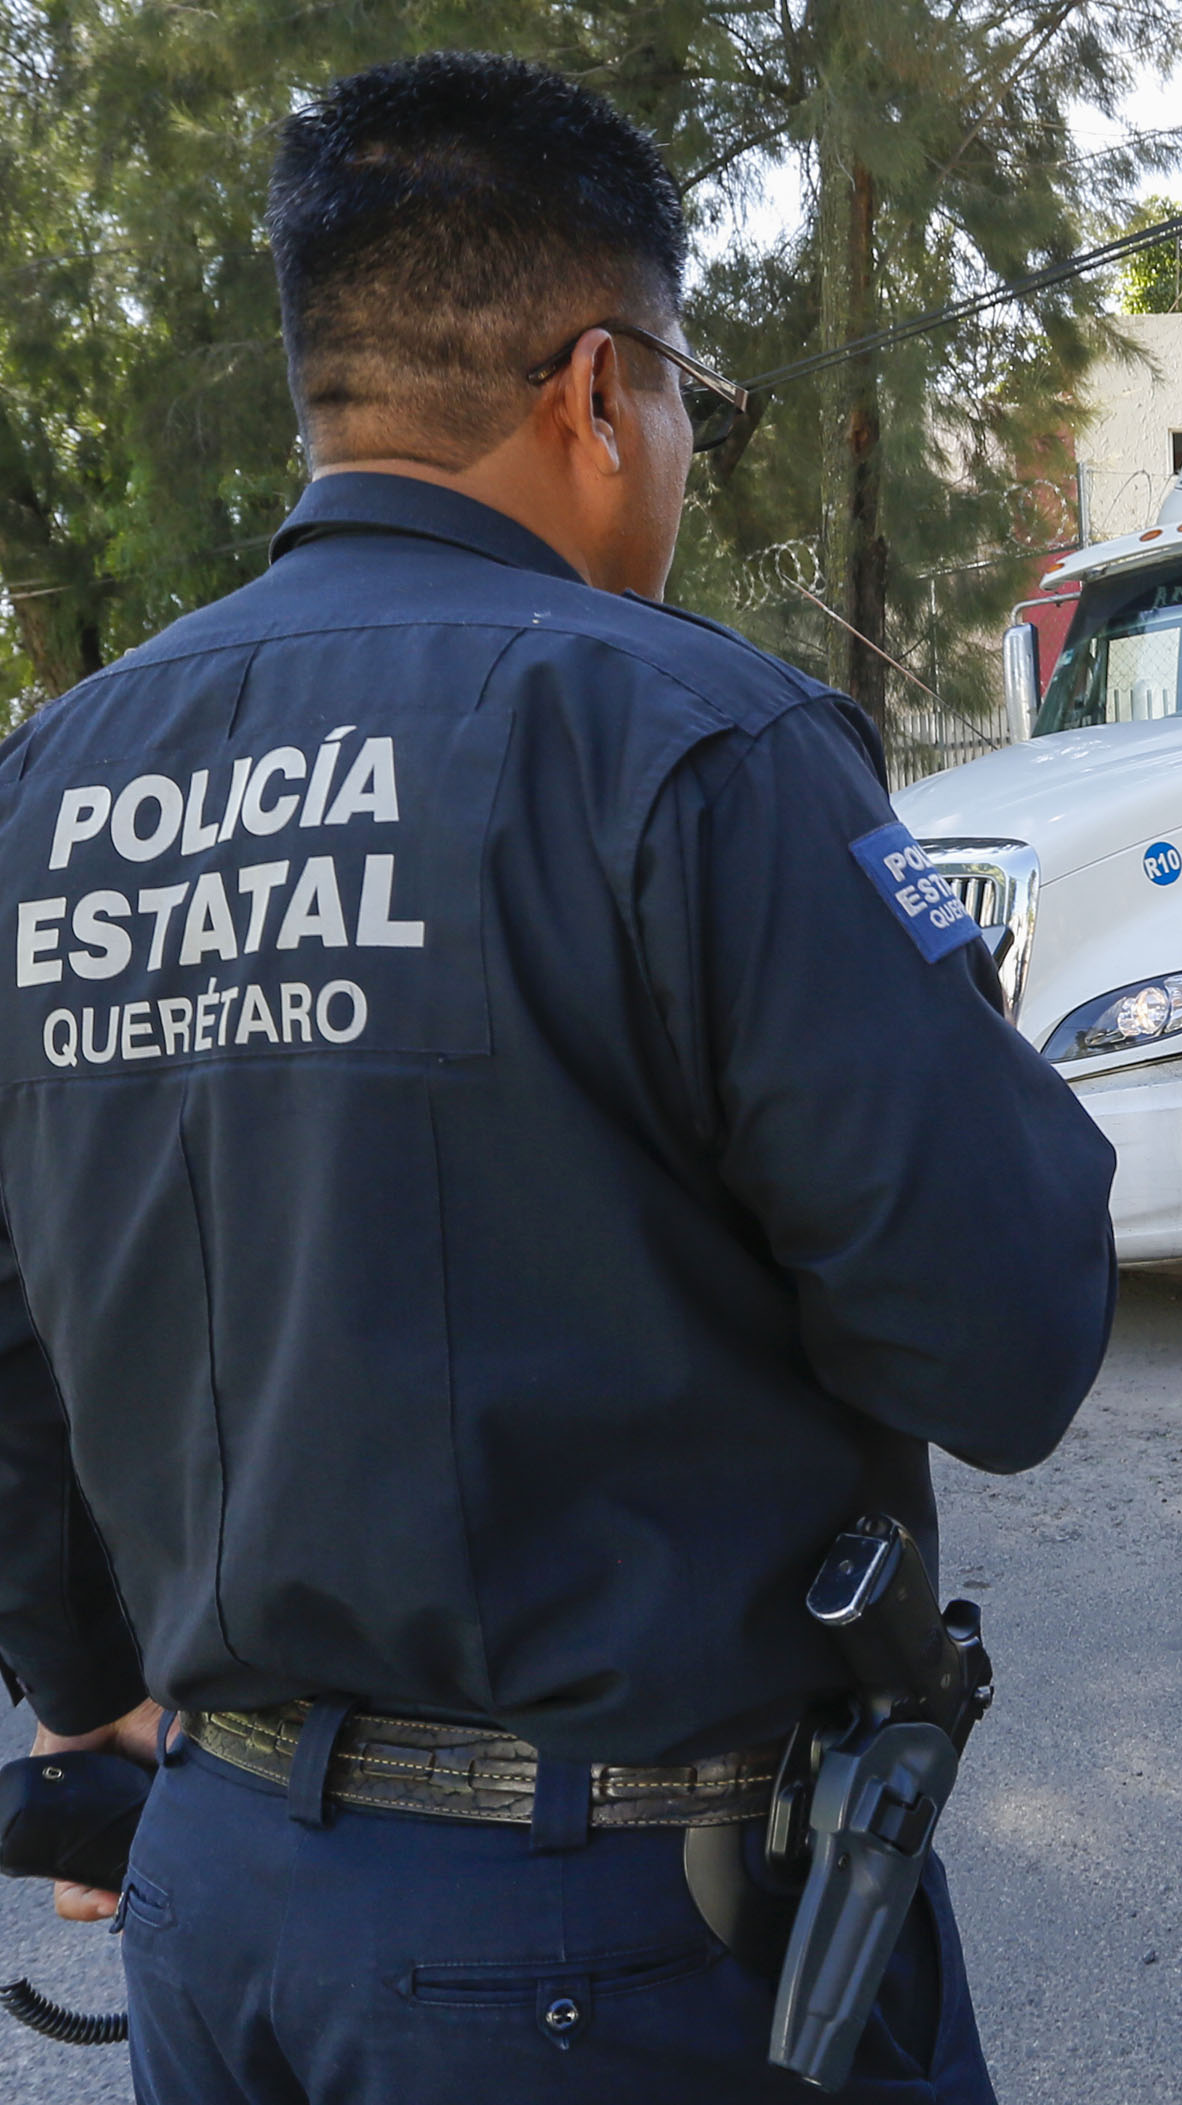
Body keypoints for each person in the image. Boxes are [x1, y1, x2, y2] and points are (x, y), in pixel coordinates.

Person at [0, 52, 1117, 2103]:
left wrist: (82, 1690)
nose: (685, 447)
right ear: (599, 390)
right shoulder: (693, 743)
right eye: (696, 394)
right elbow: (1007, 1339)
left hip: (221, 1907)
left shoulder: (52, 789)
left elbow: (9, 1320)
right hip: (604, 1942)